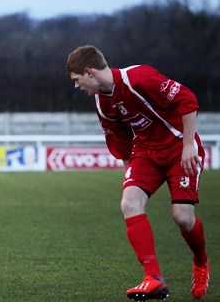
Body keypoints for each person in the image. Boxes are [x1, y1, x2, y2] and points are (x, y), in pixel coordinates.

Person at [66, 45, 209, 301]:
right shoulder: (101, 102)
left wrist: (189, 146)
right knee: (129, 203)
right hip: (145, 153)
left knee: (182, 217)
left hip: (178, 147)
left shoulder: (139, 78)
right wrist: (130, 178)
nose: (76, 86)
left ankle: (200, 261)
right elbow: (121, 142)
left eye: (77, 80)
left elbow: (187, 100)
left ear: (89, 72)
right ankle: (153, 278)